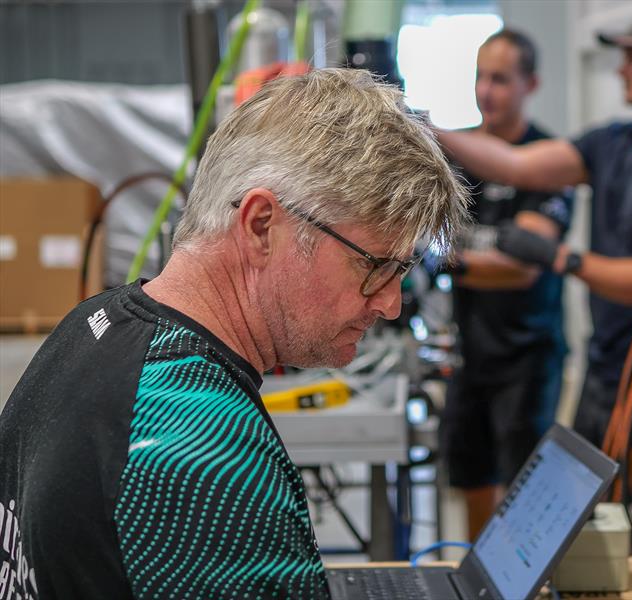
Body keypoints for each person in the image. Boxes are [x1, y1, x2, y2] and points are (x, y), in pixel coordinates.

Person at [0, 68, 469, 599]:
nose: (389, 304)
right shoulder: (205, 456)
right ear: (261, 225)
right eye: (375, 266)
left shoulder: (93, 322)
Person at [438, 7, 632, 457]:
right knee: (587, 504)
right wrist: (423, 126)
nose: (622, 68)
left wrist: (563, 259)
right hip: (603, 363)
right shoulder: (610, 143)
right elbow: (516, 164)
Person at [438, 29, 572, 541]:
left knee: (521, 488)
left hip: (527, 358)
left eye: (500, 79)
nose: (485, 91)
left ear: (530, 83)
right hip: (472, 353)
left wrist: (452, 265)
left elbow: (524, 266)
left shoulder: (547, 160)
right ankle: (479, 580)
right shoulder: (459, 157)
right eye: (479, 77)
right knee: (473, 477)